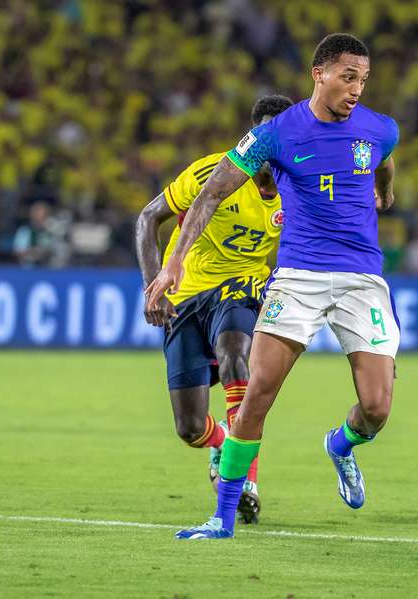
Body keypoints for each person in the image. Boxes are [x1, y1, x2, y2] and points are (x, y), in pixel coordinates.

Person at [145, 33, 400, 540]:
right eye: (348, 77)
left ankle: (341, 446)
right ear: (318, 73)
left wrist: (385, 190)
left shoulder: (379, 128)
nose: (357, 89)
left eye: (364, 80)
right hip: (299, 279)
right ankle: (223, 516)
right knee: (255, 393)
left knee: (376, 409)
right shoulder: (276, 134)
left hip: (361, 281)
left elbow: (385, 156)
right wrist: (172, 264)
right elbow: (210, 195)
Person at [136, 95, 293, 524]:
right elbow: (148, 218)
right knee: (189, 428)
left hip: (244, 284)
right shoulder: (214, 171)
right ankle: (223, 442)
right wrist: (156, 286)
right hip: (188, 294)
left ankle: (243, 478)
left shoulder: (302, 187)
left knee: (235, 353)